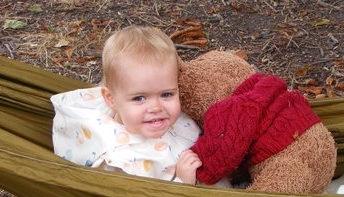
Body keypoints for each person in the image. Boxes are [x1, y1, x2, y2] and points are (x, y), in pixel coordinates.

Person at [51, 25, 231, 188]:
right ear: (111, 99)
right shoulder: (118, 161)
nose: (155, 107)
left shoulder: (151, 117)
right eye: (139, 98)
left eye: (166, 94)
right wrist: (181, 183)